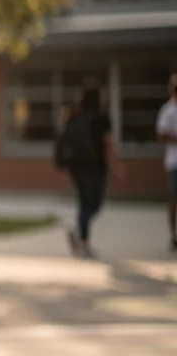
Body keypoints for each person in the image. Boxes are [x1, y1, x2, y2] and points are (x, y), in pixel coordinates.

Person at [59, 79, 123, 258]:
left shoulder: (74, 115)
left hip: (76, 166)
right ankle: (82, 239)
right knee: (94, 204)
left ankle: (80, 236)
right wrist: (117, 164)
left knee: (84, 202)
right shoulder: (102, 117)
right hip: (95, 166)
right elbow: (108, 142)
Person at [158, 74, 177, 252]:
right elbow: (162, 135)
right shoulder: (168, 110)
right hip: (174, 162)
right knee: (174, 198)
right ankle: (173, 234)